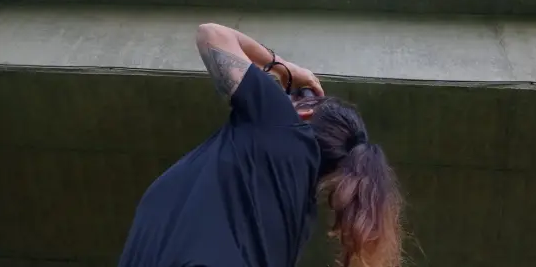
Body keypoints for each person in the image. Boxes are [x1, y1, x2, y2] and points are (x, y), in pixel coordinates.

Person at [118, 22, 403, 267]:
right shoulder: (296, 215)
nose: (283, 95)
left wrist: (286, 69)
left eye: (293, 96)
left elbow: (212, 34)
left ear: (306, 112)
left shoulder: (283, 125)